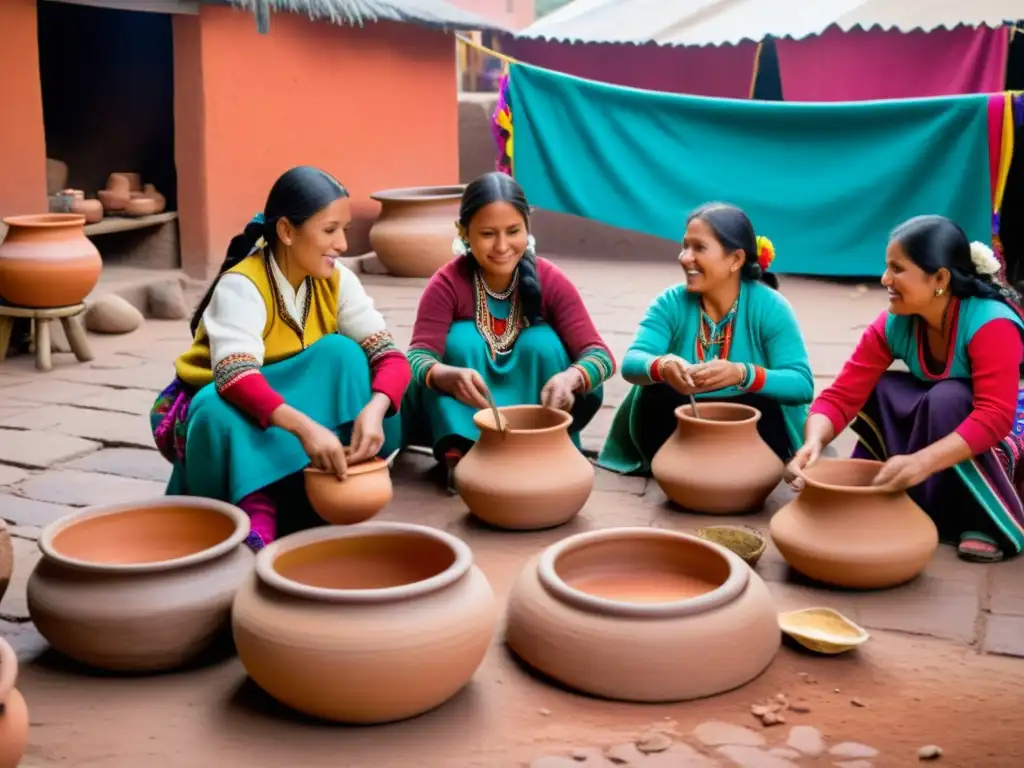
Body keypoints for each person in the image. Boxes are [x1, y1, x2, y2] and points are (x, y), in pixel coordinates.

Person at [150, 166, 411, 551]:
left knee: (343, 354)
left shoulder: (338, 280)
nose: (341, 244)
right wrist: (307, 430)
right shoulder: (242, 285)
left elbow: (391, 357)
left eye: (344, 229)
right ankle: (257, 500)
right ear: (287, 231)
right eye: (329, 230)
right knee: (213, 408)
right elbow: (236, 376)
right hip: (238, 408)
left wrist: (374, 408)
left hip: (290, 402)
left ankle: (326, 476)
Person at [787, 215, 1024, 563]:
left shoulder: (992, 325)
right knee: (885, 389)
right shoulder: (894, 324)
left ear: (940, 278)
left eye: (898, 269)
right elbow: (842, 395)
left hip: (1002, 436)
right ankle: (907, 498)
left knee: (948, 398)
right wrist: (813, 442)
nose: (885, 280)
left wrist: (921, 462)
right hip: (937, 431)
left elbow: (994, 416)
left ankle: (979, 516)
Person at [403, 172, 615, 483]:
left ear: (527, 227)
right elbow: (416, 357)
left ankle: (544, 447)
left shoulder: (550, 279)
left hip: (540, 430)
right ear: (464, 232)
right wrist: (443, 374)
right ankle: (465, 452)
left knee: (541, 343)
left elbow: (600, 356)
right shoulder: (447, 283)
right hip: (468, 415)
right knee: (461, 341)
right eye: (488, 233)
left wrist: (571, 378)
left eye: (513, 231)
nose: (502, 246)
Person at [599, 202, 813, 475]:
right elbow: (632, 362)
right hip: (680, 427)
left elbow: (802, 385)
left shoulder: (770, 307)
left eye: (699, 248)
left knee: (766, 400)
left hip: (751, 436)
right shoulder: (670, 303)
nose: (685, 257)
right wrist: (663, 366)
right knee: (656, 390)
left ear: (735, 259)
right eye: (685, 246)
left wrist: (742, 374)